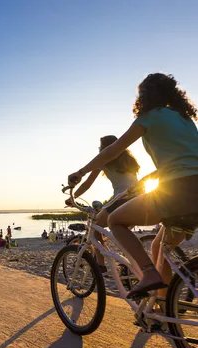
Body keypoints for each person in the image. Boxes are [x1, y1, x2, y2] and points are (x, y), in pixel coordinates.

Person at [68, 73, 198, 299]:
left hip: (178, 190)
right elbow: (187, 159)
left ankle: (148, 273)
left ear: (146, 96)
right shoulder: (185, 119)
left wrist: (80, 172)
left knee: (114, 221)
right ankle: (162, 306)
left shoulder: (150, 117)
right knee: (160, 248)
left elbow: (113, 150)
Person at [66, 135, 140, 274]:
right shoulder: (130, 160)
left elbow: (87, 183)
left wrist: (73, 197)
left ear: (104, 148)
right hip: (139, 198)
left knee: (95, 227)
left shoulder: (104, 159)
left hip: (121, 199)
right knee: (122, 234)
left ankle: (101, 265)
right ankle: (130, 265)